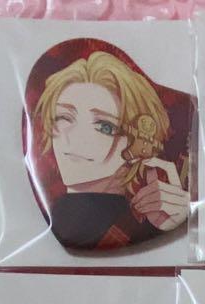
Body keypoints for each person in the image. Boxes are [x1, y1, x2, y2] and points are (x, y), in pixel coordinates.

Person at [32, 50, 189, 250]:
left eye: (105, 127)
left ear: (137, 144)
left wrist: (172, 221)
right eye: (64, 117)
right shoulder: (56, 212)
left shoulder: (131, 221)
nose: (76, 137)